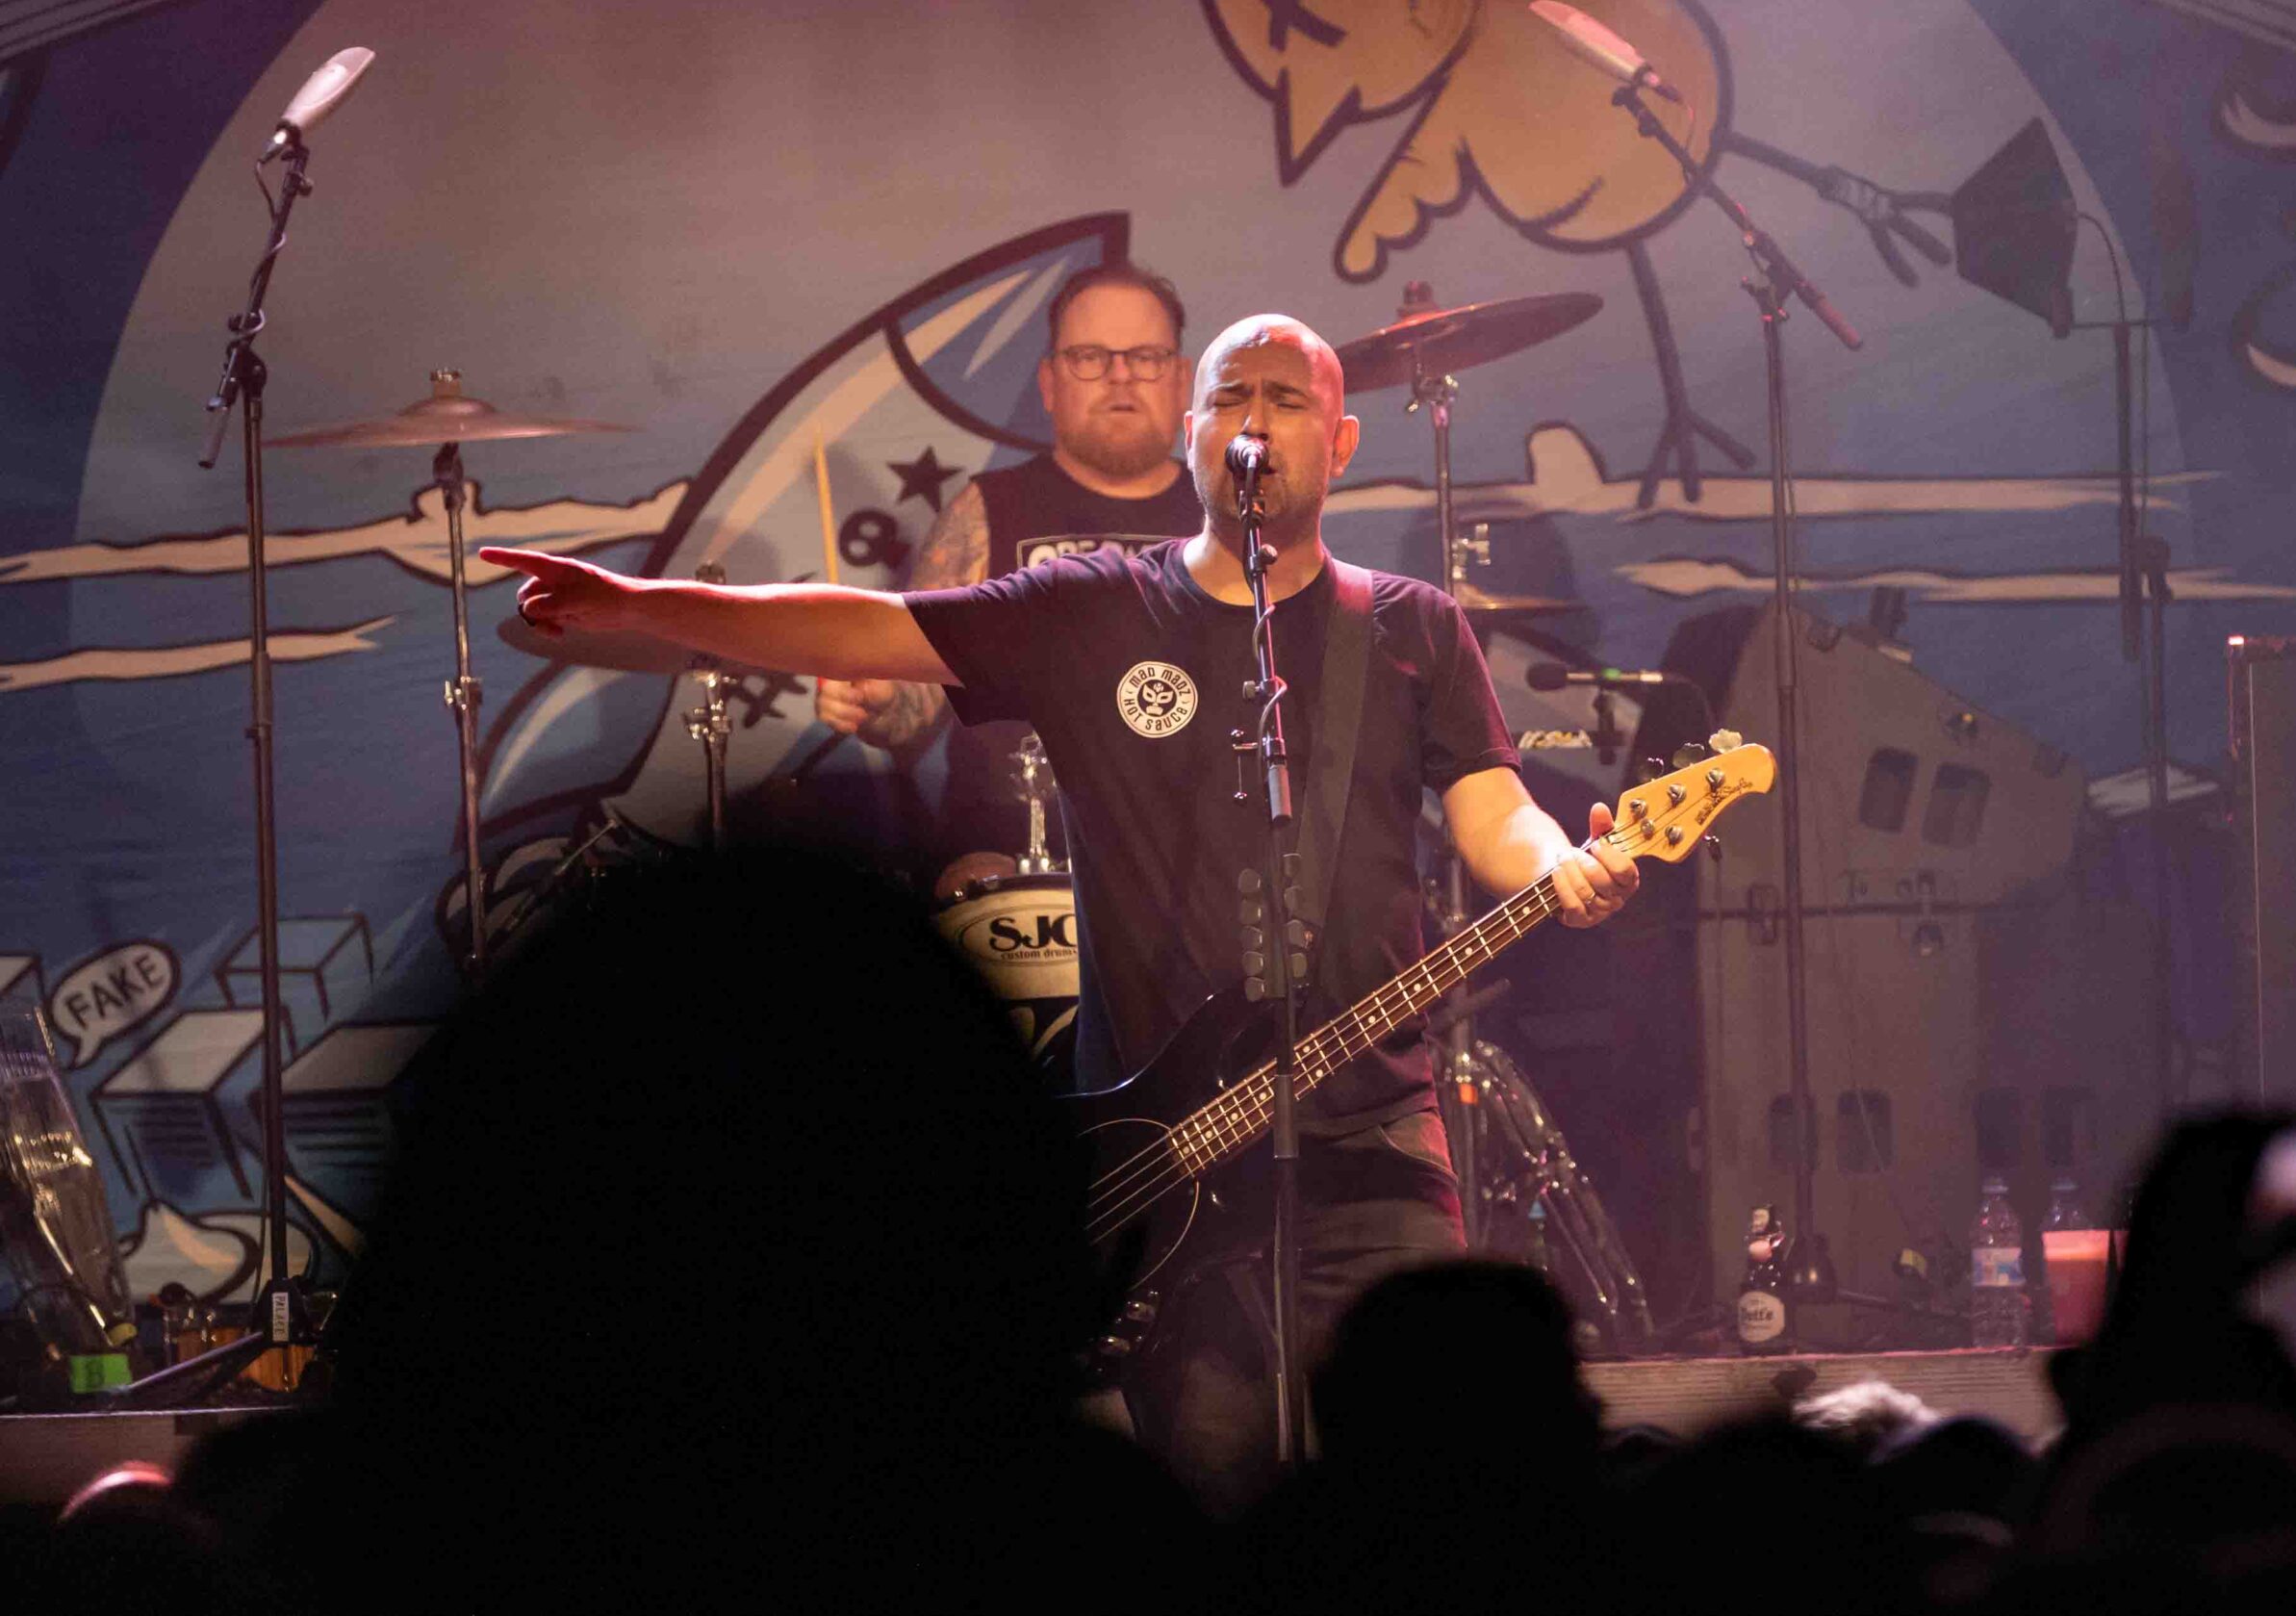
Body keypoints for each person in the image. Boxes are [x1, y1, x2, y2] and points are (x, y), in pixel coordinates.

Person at [480, 310, 1641, 1502]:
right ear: (1190, 433)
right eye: (1229, 397)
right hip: (1170, 1161)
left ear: (1340, 442)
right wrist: (645, 601)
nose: (1254, 422)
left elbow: (1495, 813)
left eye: (1287, 399)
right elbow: (867, 625)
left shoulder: (1408, 625)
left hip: (1374, 1141)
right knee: (1215, 1497)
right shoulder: (1092, 606)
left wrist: (1557, 863)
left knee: (1430, 1487)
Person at [815, 262, 1202, 865]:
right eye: (1090, 356)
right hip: (1008, 859)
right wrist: (876, 702)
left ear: (1181, 381)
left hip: (1188, 861)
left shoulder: (1226, 518)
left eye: (1147, 357)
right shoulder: (986, 511)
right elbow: (912, 708)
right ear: (1049, 383)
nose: (1121, 376)